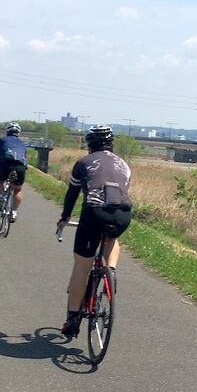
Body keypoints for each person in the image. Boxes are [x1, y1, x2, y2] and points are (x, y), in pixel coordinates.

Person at [57, 124, 132, 339]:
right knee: (112, 237)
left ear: (89, 144)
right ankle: (111, 271)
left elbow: (72, 194)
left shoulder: (83, 163)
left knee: (82, 267)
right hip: (123, 214)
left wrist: (64, 218)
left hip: (94, 213)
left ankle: (72, 319)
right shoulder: (124, 165)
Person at [0, 122, 28, 222]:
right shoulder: (23, 144)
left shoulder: (2, 140)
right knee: (17, 189)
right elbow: (24, 159)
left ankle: (1, 197)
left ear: (7, 132)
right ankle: (14, 211)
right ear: (18, 133)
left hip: (5, 164)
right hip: (20, 166)